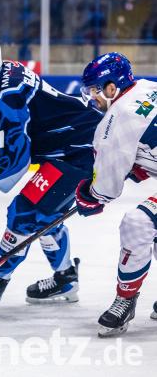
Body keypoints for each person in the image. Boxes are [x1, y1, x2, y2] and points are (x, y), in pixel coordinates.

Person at [0, 34, 103, 314]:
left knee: (24, 213)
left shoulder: (3, 96)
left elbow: (18, 155)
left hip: (79, 152)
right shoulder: (6, 72)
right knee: (45, 215)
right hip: (75, 145)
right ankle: (66, 279)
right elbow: (20, 118)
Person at [73, 53, 157, 337]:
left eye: (94, 90)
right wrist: (143, 165)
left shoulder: (116, 117)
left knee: (139, 223)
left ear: (111, 88)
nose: (91, 97)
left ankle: (125, 300)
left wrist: (89, 195)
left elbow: (105, 191)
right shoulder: (148, 86)